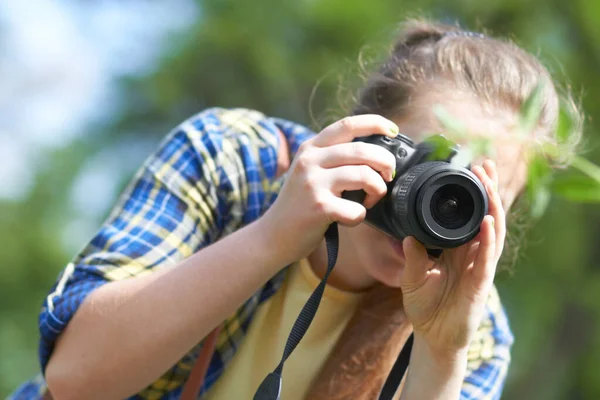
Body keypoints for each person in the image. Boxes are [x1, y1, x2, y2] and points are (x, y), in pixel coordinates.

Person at [11, 19, 576, 400]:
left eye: (467, 192)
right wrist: (271, 239)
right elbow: (73, 379)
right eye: (427, 162)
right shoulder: (232, 160)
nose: (434, 205)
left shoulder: (473, 332)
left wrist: (440, 352)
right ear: (363, 131)